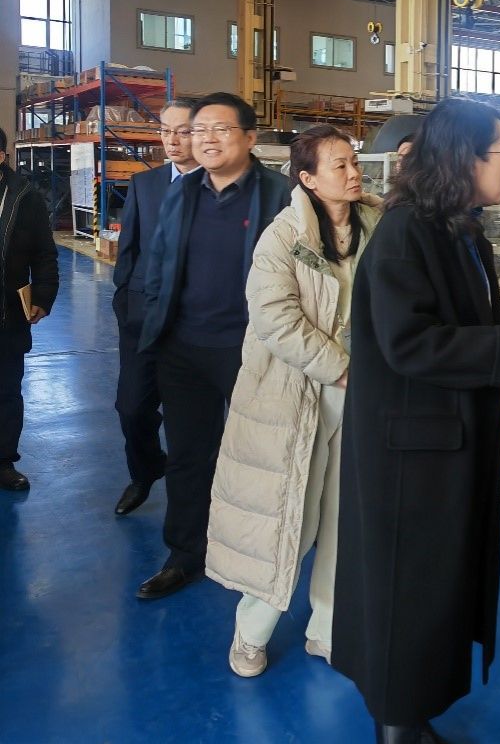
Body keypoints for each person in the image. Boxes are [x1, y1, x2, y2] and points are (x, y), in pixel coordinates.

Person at [332, 98, 500, 744]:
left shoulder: (461, 231)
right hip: (409, 458)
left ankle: (411, 713)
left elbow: (469, 322)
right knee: (408, 593)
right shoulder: (404, 235)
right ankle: (397, 726)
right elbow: (411, 343)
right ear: (465, 158)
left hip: (444, 446)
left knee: (435, 592)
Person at [205, 125, 381, 678]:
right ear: (307, 178)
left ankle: (327, 630)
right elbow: (275, 319)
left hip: (362, 394)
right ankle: (251, 634)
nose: (353, 173)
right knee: (291, 519)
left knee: (345, 518)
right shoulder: (282, 237)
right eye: (339, 166)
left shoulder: (376, 224)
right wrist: (342, 368)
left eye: (354, 162)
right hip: (297, 394)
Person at [135, 92, 290, 600]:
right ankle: (185, 555)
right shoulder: (182, 192)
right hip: (183, 348)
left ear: (250, 137)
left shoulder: (282, 195)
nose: (206, 139)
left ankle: (262, 558)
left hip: (251, 350)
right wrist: (158, 327)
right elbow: (159, 265)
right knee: (187, 456)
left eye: (220, 129)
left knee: (262, 457)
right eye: (199, 130)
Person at [111, 99, 199, 516]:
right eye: (165, 131)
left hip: (196, 325)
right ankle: (145, 471)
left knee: (191, 421)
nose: (172, 140)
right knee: (131, 407)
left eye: (183, 131)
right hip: (142, 318)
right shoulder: (145, 184)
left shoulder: (220, 187)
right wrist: (124, 300)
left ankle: (191, 500)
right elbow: (129, 249)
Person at [0, 127, 59, 493]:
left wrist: (43, 296)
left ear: (1, 156)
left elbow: (44, 252)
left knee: (6, 390)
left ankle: (3, 461)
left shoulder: (24, 197)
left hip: (7, 313)